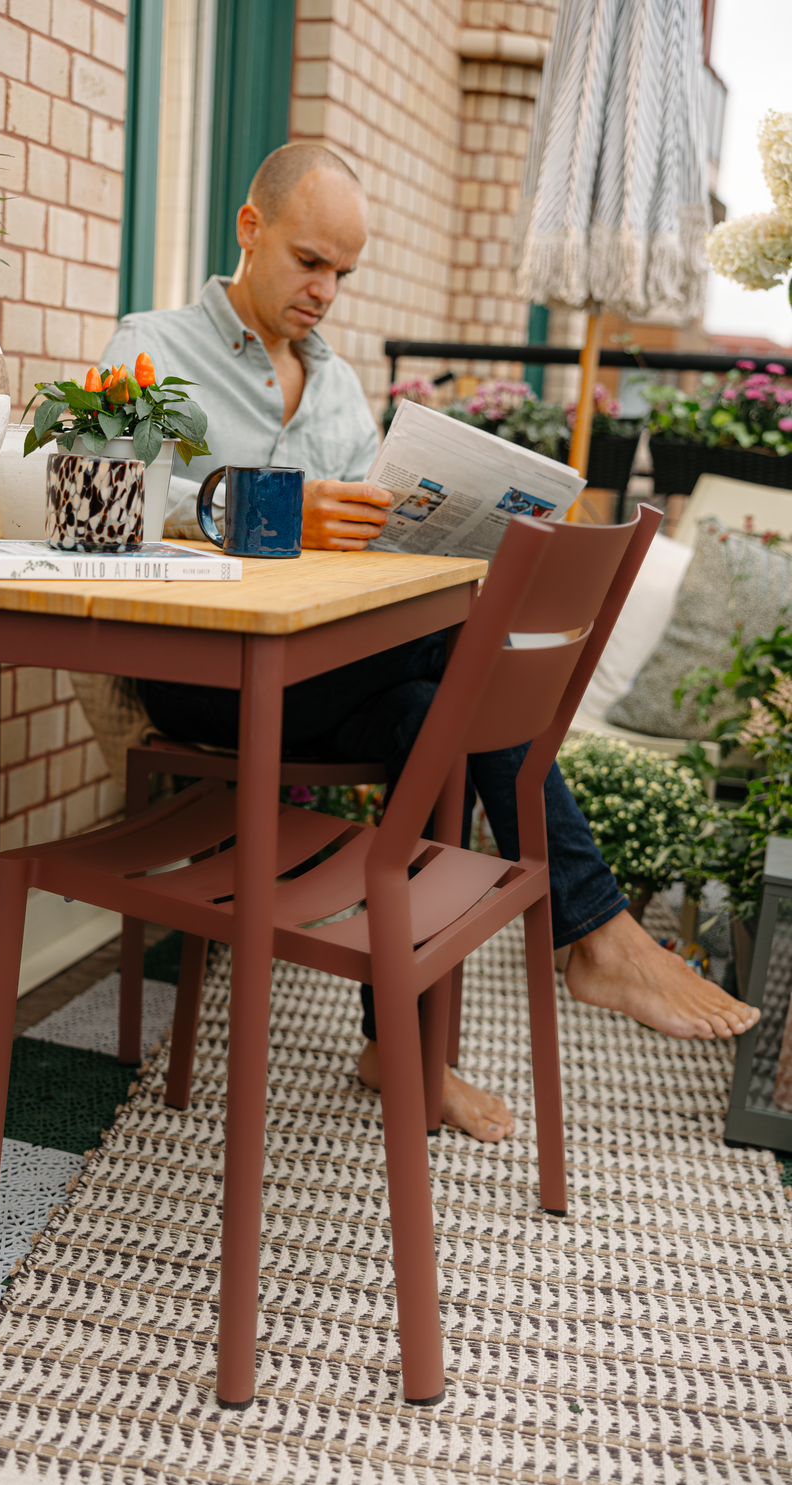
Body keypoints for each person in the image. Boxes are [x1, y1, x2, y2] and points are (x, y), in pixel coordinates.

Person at [101, 143, 759, 1142]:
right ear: (249, 228)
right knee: (464, 666)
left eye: (343, 275)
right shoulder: (148, 347)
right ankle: (595, 930)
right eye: (309, 261)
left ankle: (401, 1049)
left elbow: (367, 545)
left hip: (328, 671)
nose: (325, 292)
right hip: (205, 673)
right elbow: (90, 493)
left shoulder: (334, 394)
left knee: (432, 716)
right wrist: (263, 508)